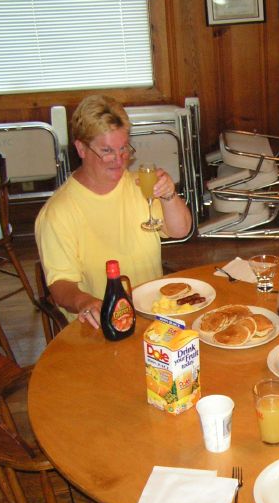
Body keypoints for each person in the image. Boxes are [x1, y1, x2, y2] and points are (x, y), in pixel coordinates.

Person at [35, 94, 192, 328]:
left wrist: (169, 195)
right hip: (100, 325)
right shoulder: (58, 213)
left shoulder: (142, 185)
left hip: (153, 314)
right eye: (107, 151)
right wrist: (86, 302)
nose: (119, 160)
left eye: (123, 149)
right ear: (81, 148)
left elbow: (181, 230)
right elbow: (60, 285)